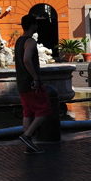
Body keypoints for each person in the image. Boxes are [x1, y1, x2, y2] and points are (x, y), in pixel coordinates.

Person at [14, 14, 52, 154]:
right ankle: (27, 135)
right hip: (31, 84)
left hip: (21, 83)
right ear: (32, 26)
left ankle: (29, 146)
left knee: (27, 113)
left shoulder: (19, 41)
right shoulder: (30, 41)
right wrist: (35, 78)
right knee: (44, 110)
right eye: (36, 24)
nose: (37, 27)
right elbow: (26, 59)